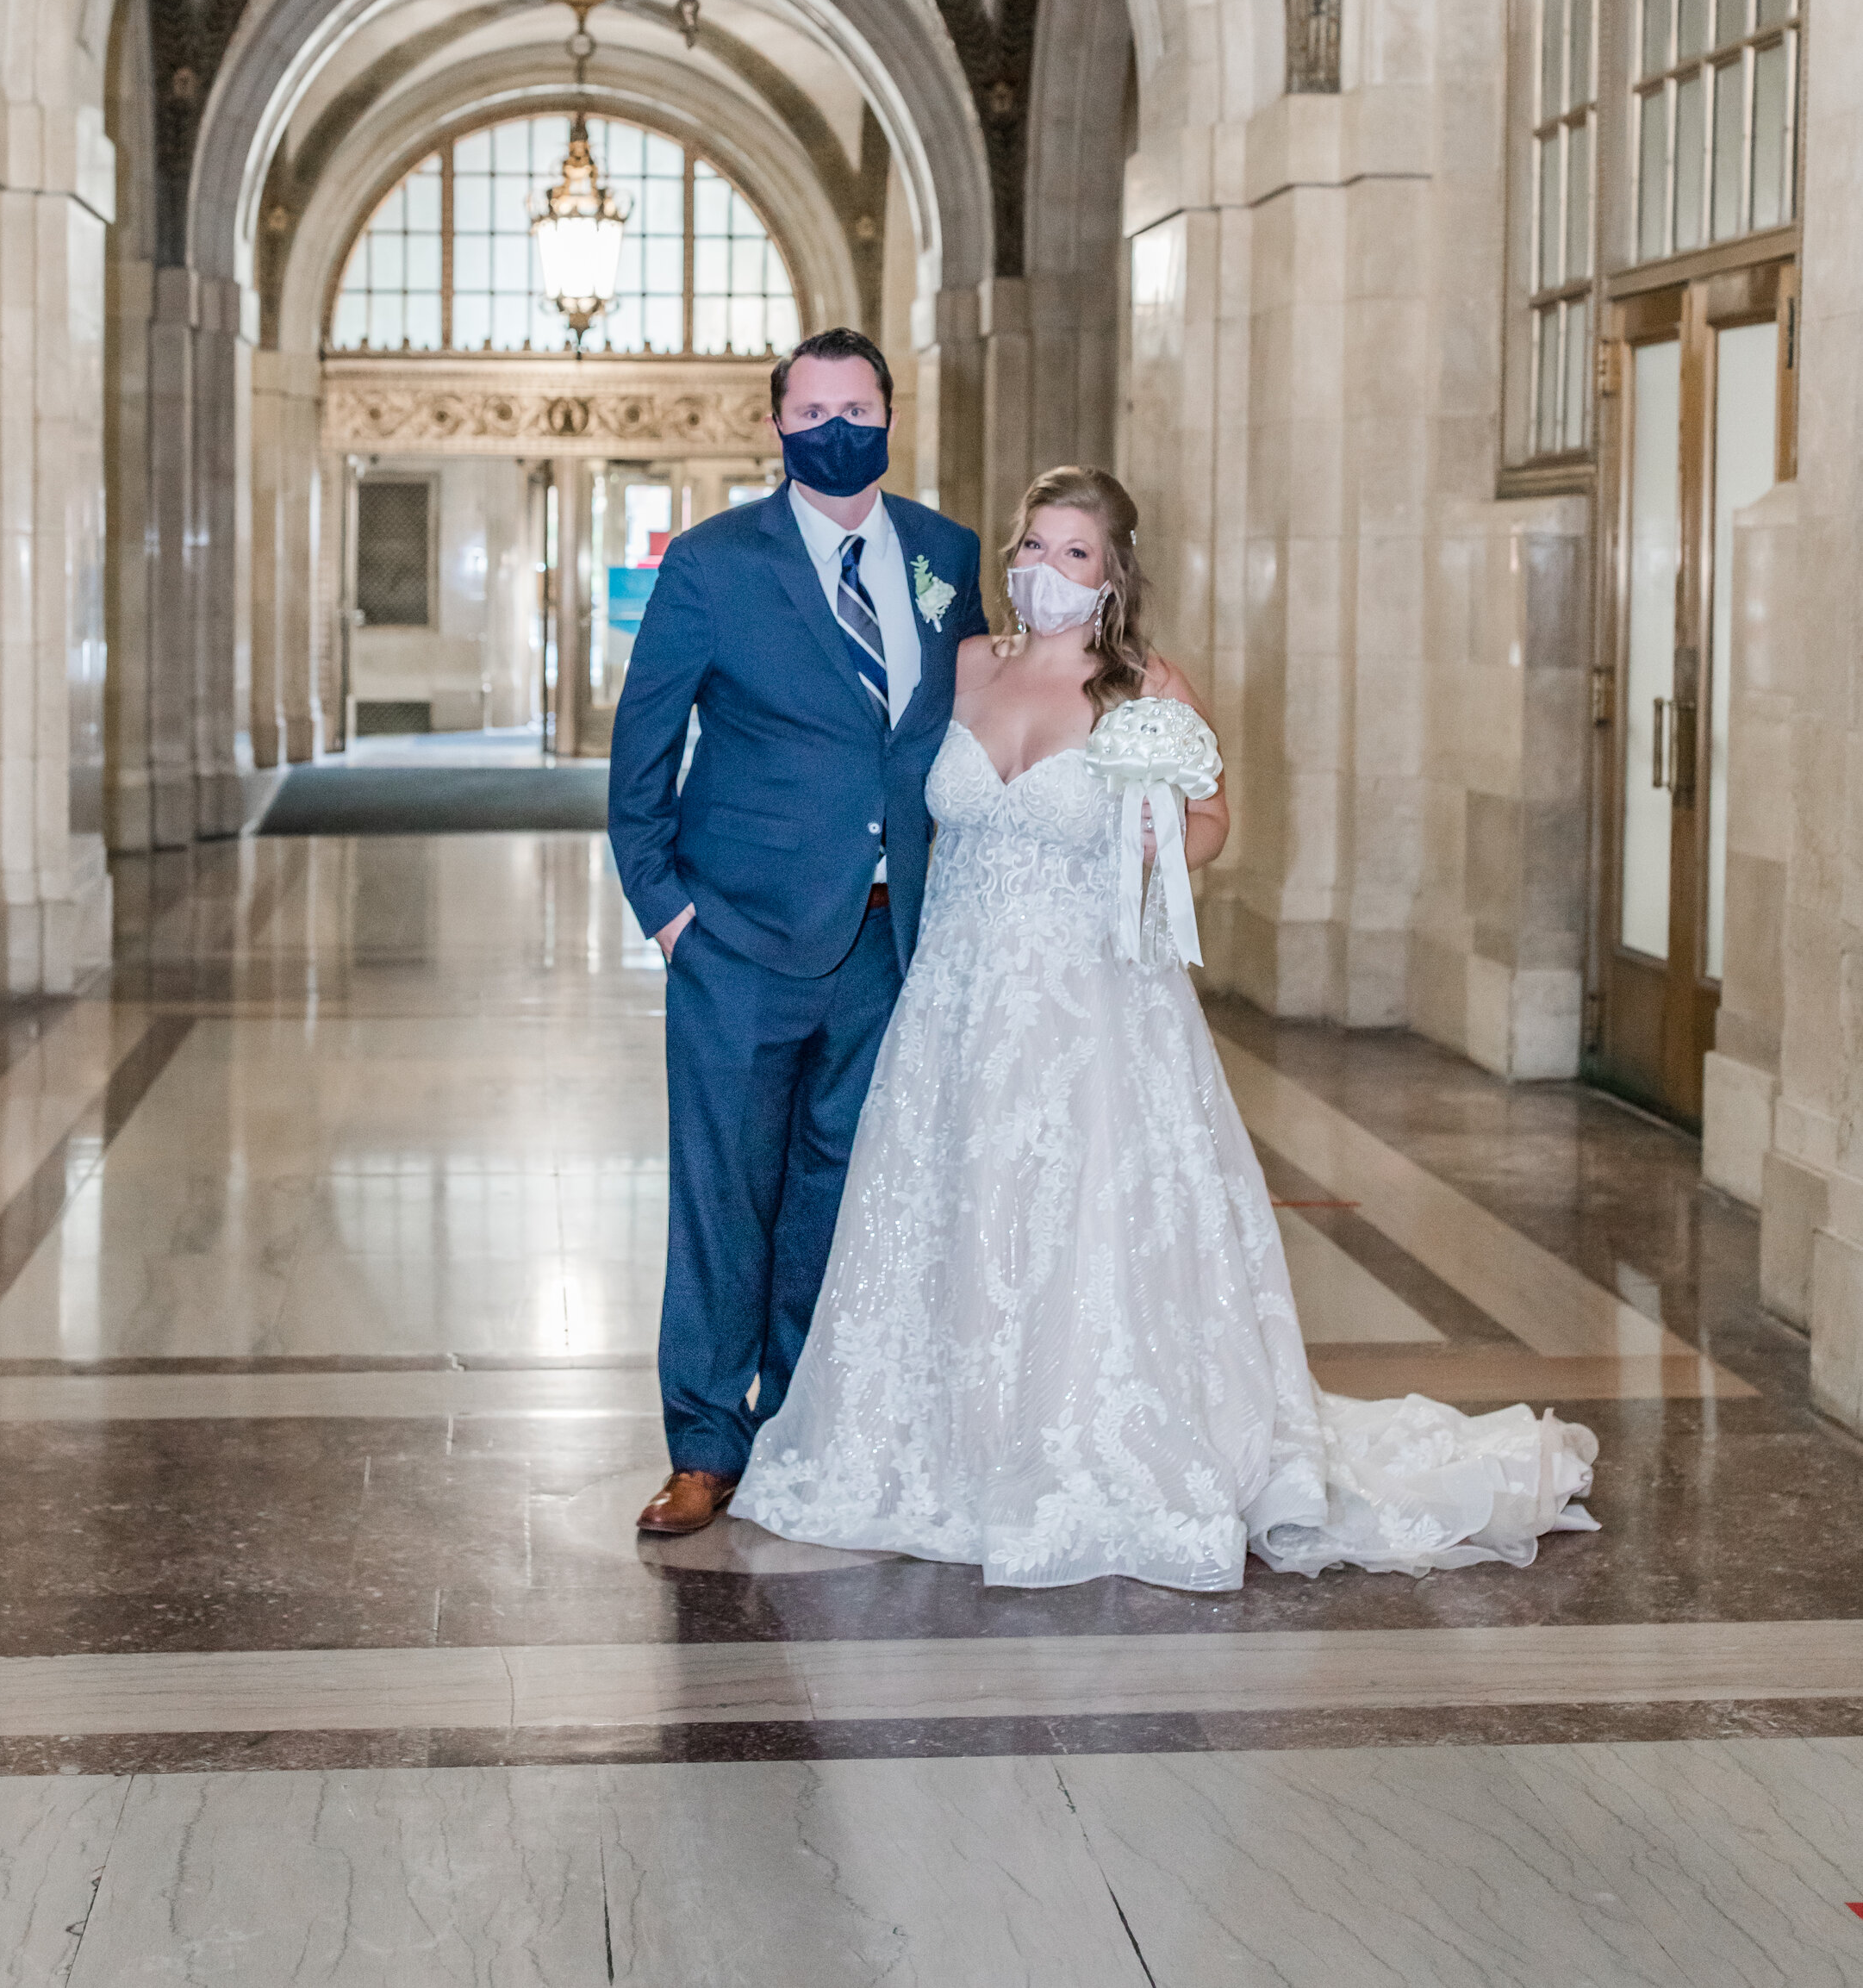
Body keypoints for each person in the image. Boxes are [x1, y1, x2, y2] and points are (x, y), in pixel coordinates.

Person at [732, 464, 1598, 1589]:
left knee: (1081, 1216)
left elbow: (1210, 819)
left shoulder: (1143, 688)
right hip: (954, 1001)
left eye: (1074, 553)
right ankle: (951, 1435)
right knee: (958, 1209)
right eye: (1034, 545)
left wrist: (1137, 856)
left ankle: (1077, 1437)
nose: (1045, 569)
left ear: (1113, 577)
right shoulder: (962, 669)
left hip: (1091, 1005)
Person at [608, 327, 988, 1536]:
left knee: (840, 1194)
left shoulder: (943, 553)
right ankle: (706, 1443)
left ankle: (801, 1427)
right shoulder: (714, 563)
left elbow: (962, 727)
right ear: (776, 424)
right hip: (736, 940)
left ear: (890, 412)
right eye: (814, 406)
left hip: (888, 942)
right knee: (725, 1193)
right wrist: (669, 913)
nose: (838, 423)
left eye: (858, 403)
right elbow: (640, 752)